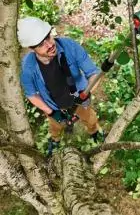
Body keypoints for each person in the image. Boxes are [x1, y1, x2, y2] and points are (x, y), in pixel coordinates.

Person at [18, 17, 104, 156]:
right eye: (41, 44)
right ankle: (55, 140)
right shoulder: (28, 67)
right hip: (53, 105)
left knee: (90, 119)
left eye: (48, 37)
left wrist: (87, 92)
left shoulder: (70, 46)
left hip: (79, 98)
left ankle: (94, 133)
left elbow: (94, 73)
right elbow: (31, 94)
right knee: (55, 126)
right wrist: (51, 112)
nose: (49, 45)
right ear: (31, 48)